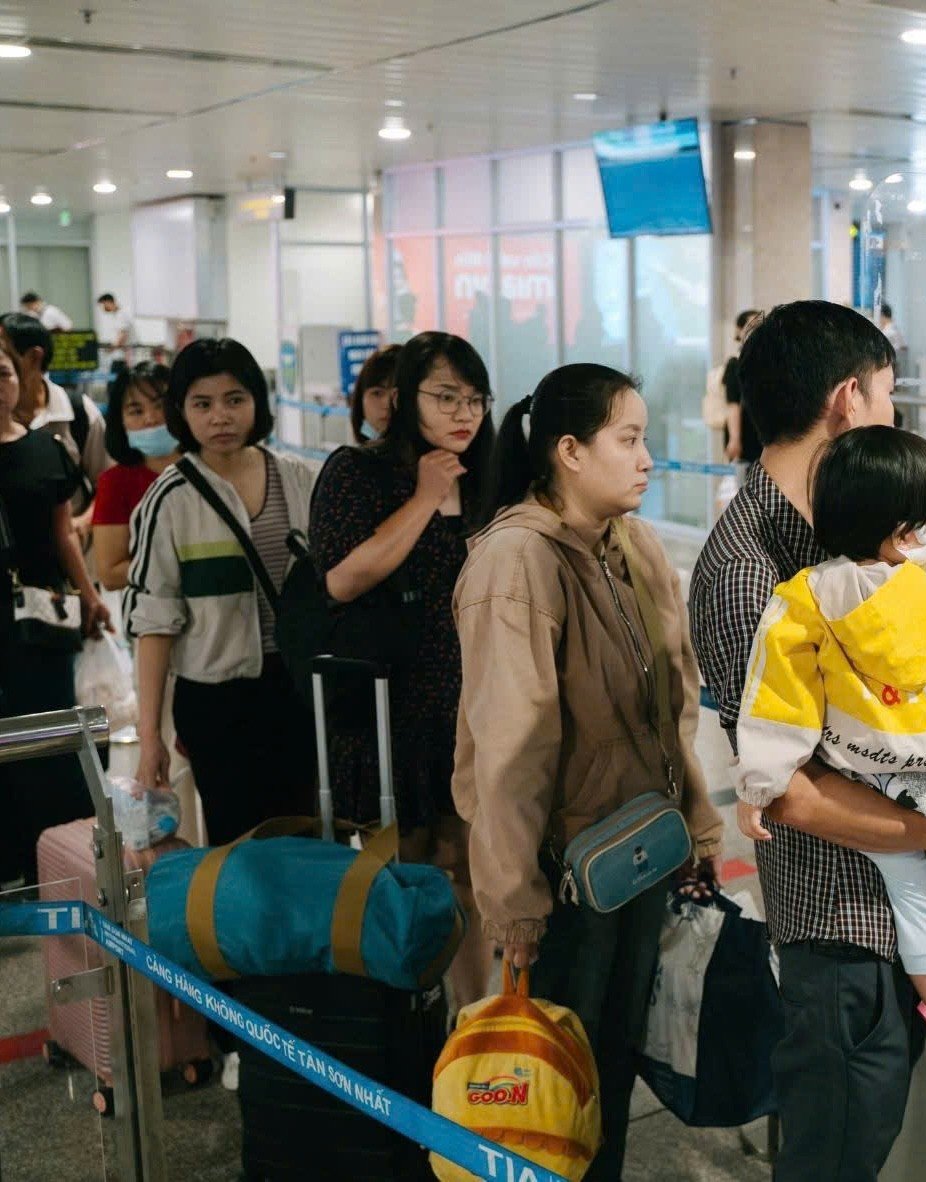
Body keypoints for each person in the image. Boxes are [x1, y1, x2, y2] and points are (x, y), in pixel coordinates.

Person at [688, 300, 926, 1180]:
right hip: (842, 928)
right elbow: (789, 791)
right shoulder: (752, 571)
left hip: (902, 915)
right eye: (889, 395)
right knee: (833, 1158)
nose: (892, 416)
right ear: (848, 398)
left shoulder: (852, 544)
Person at [452, 363, 723, 1182]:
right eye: (629, 440)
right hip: (561, 879)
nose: (647, 459)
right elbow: (509, 749)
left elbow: (673, 706)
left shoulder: (631, 546)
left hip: (635, 855)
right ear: (568, 451)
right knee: (548, 1097)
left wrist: (699, 828)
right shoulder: (519, 562)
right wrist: (512, 905)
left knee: (603, 1073)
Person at [735, 426, 926, 1100]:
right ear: (903, 536)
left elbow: (778, 701)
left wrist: (759, 783)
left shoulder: (803, 599)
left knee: (913, 899)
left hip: (870, 782)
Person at [309, 331, 496, 1004]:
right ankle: (400, 1026)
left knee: (470, 873)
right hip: (392, 710)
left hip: (473, 711)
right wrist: (422, 497)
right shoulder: (359, 473)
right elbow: (341, 581)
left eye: (474, 397)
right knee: (402, 873)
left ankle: (469, 1022)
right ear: (404, 397)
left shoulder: (490, 480)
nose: (462, 412)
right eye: (445, 395)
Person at [126, 339, 317, 844]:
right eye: (202, 404)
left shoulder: (297, 477)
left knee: (312, 837)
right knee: (239, 845)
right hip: (217, 700)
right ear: (182, 413)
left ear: (257, 401)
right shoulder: (169, 498)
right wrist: (152, 737)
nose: (220, 417)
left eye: (235, 399)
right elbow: (153, 625)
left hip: (300, 687)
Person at [0, 346, 111, 886]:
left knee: (49, 734)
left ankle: (54, 861)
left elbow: (62, 529)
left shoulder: (45, 448)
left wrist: (90, 595)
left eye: (2, 373)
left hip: (41, 617)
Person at [4, 312, 108, 518]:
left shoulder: (79, 413)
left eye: (5, 353)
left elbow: (106, 484)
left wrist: (84, 523)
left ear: (34, 357)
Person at [92, 362, 177, 591]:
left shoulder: (210, 468)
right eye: (136, 411)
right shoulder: (115, 483)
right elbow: (109, 573)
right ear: (121, 421)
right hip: (151, 618)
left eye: (161, 406)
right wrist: (186, 569)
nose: (151, 418)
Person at [704, 309, 763, 464]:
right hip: (745, 442)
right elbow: (733, 404)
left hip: (763, 441)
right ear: (739, 331)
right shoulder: (735, 364)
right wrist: (735, 439)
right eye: (752, 327)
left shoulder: (764, 366)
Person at [346, 343, 401, 443]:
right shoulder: (349, 457)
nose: (387, 404)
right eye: (377, 393)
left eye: (398, 394)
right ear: (360, 399)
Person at [97, 293, 134, 362]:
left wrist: (110, 349)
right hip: (121, 353)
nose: (102, 308)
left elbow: (122, 336)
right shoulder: (116, 315)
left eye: (103, 305)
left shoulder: (122, 315)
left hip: (126, 353)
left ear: (108, 302)